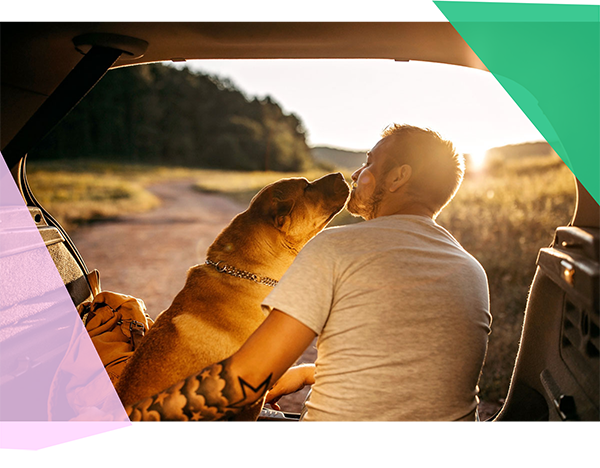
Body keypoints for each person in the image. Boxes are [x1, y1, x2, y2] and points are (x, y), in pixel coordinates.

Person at [125, 123, 491, 423]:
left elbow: (243, 382)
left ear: (397, 178)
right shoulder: (472, 270)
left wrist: (128, 424)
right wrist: (305, 374)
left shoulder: (337, 247)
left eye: (368, 164)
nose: (356, 174)